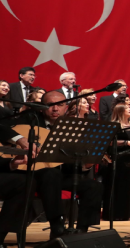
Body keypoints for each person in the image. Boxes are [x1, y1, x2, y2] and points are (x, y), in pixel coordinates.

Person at [14, 91, 103, 237]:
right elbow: (7, 130)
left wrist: (85, 166)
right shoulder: (31, 120)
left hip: (60, 176)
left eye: (60, 105)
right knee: (51, 173)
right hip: (33, 176)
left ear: (66, 107)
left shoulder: (69, 127)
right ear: (42, 107)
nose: (55, 109)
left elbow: (68, 163)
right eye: (50, 105)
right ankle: (57, 225)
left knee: (94, 186)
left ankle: (82, 230)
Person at [102, 103, 130, 220]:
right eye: (127, 108)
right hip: (118, 159)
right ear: (120, 111)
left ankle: (125, 213)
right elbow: (109, 142)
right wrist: (127, 143)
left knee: (128, 186)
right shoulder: (114, 125)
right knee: (117, 186)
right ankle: (114, 214)